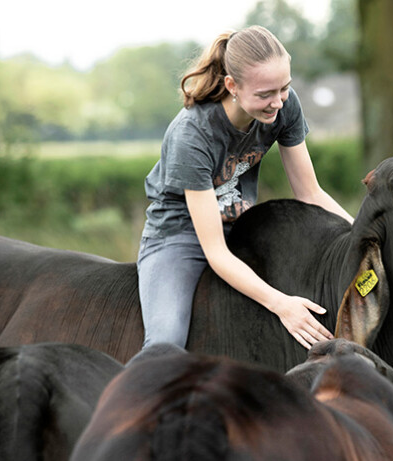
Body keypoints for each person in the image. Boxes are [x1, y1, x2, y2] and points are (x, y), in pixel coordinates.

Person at [137, 26, 353, 352]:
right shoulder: (191, 134)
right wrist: (282, 304)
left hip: (241, 228)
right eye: (265, 94)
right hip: (180, 238)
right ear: (232, 86)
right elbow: (215, 253)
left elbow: (310, 194)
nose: (277, 102)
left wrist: (364, 237)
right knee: (166, 342)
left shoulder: (284, 105)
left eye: (284, 88)